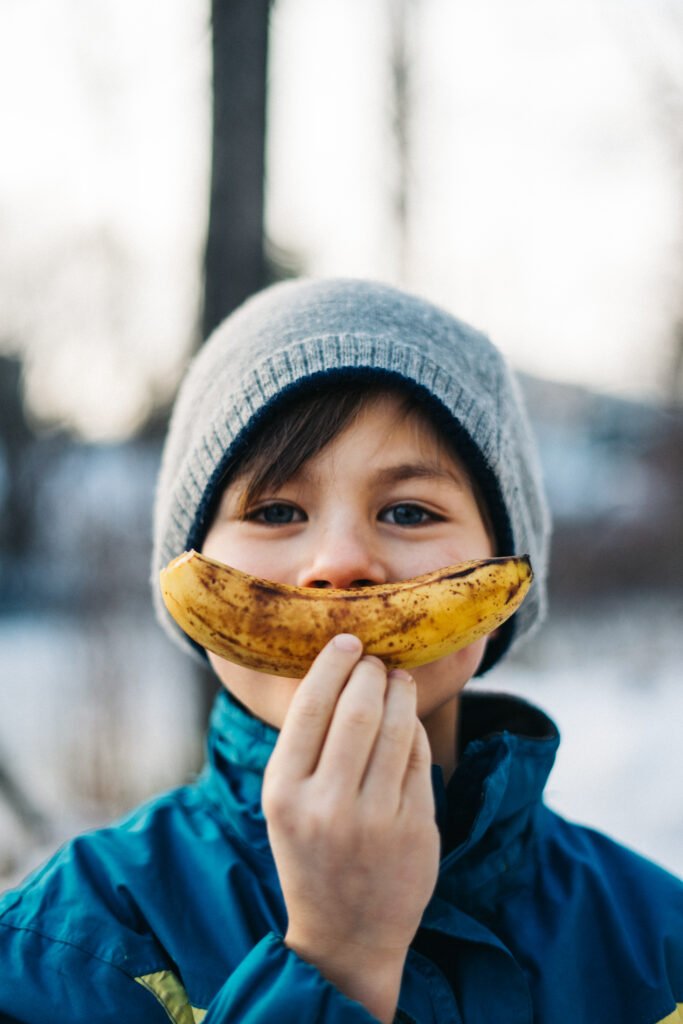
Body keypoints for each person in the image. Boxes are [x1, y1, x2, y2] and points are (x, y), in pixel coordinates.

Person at [0, 278, 681, 1024]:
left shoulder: (658, 946)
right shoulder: (65, 945)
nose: (341, 561)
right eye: (276, 510)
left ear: (503, 574)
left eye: (409, 511)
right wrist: (335, 959)